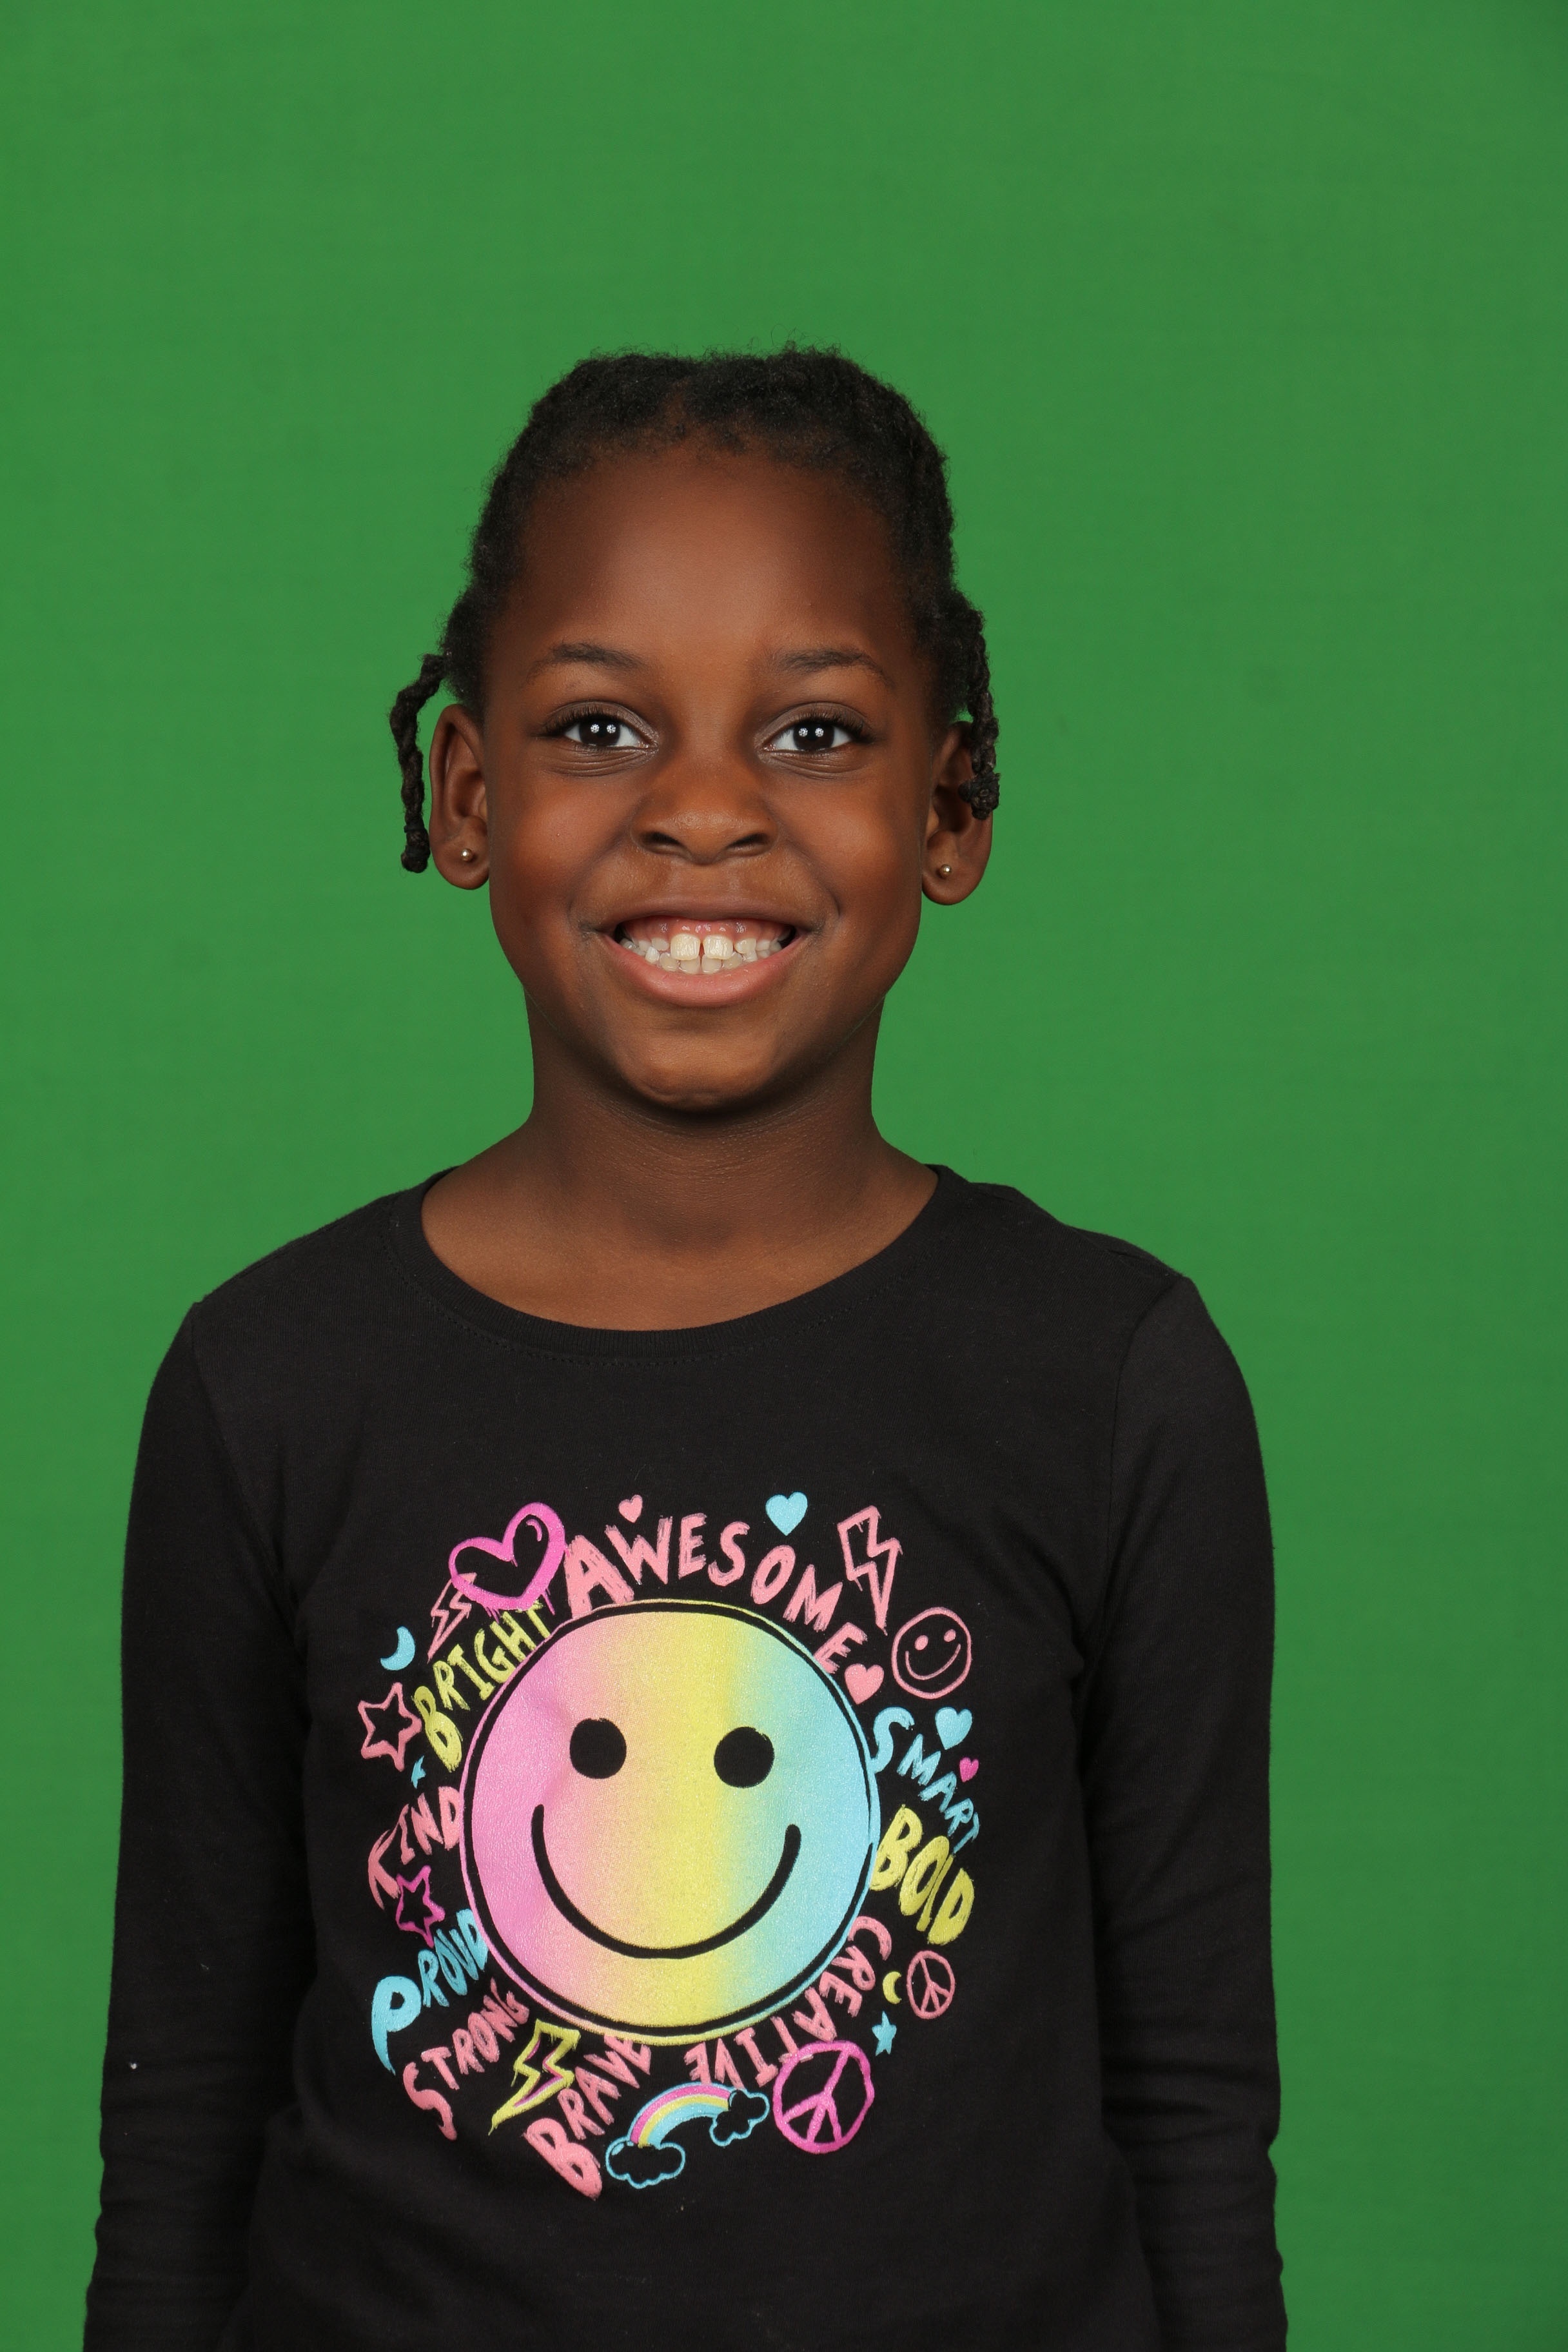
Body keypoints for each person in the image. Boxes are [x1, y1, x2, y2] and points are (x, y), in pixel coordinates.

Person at [86, 348, 1285, 2350]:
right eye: (600, 726)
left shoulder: (1111, 1381)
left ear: (950, 802)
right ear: (469, 796)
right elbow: (181, 2116)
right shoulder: (270, 1385)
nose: (706, 810)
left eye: (815, 730)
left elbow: (1192, 2111)